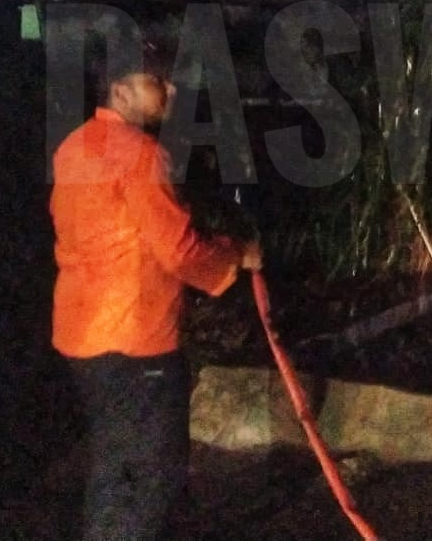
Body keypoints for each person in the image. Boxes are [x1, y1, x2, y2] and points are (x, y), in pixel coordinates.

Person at [50, 51, 262, 541]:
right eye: (155, 82)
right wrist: (236, 257)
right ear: (120, 91)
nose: (169, 90)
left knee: (117, 457)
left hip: (81, 335)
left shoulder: (73, 146)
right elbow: (180, 251)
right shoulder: (141, 154)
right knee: (143, 476)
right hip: (133, 337)